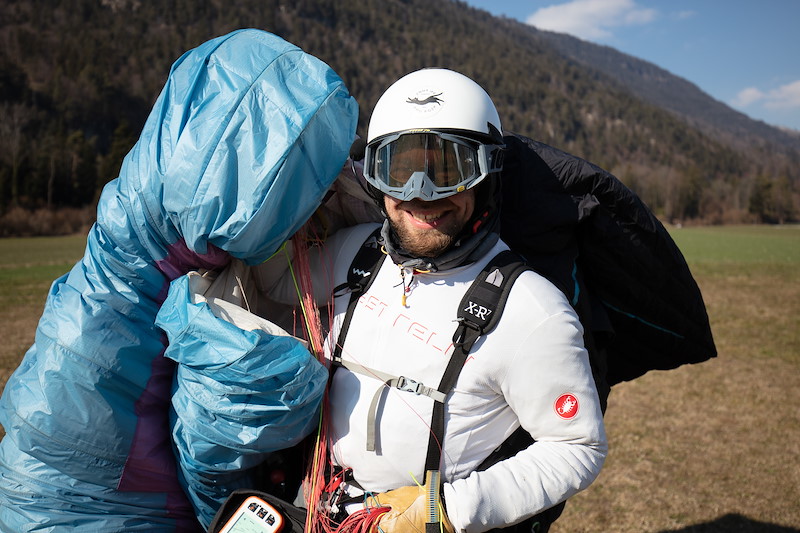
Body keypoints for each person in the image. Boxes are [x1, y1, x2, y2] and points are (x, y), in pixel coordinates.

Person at [263, 67, 607, 533]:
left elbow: (576, 447)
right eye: (400, 169)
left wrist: (447, 511)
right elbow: (269, 283)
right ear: (374, 178)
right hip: (317, 509)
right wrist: (298, 192)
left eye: (449, 168)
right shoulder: (355, 252)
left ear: (487, 173)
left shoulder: (532, 311)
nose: (422, 193)